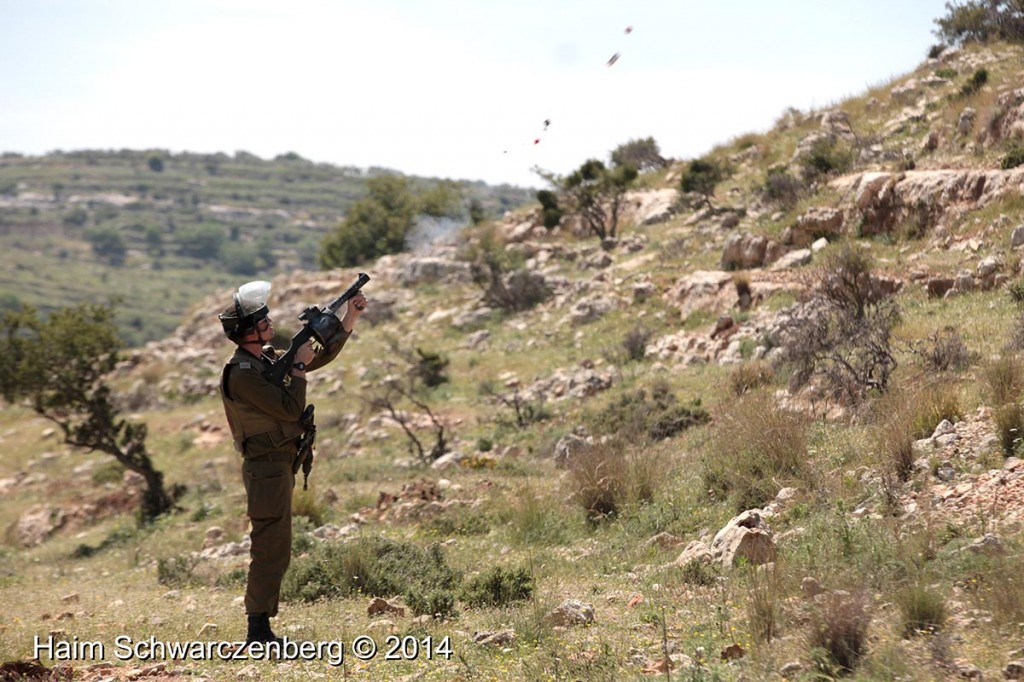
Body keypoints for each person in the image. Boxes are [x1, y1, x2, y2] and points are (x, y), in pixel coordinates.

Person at [217, 279, 367, 644]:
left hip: (279, 464)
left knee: (278, 544)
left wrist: (349, 317)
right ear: (249, 331)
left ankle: (261, 625)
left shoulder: (266, 359)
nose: (269, 323)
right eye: (262, 320)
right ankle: (257, 629)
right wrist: (298, 369)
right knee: (271, 544)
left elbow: (319, 355)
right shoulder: (242, 374)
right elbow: (290, 406)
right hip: (265, 466)